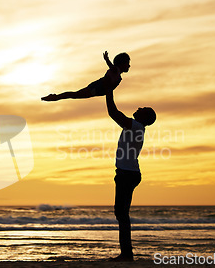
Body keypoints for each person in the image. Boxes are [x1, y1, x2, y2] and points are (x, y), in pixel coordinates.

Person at [105, 82, 156, 262]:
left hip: (127, 174)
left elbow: (113, 113)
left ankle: (127, 254)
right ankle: (127, 253)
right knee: (121, 213)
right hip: (128, 173)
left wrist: (108, 89)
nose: (139, 107)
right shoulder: (137, 127)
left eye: (143, 108)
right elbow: (116, 115)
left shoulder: (135, 126)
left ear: (144, 117)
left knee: (121, 213)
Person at [41, 51, 130, 101]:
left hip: (97, 88)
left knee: (75, 95)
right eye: (127, 63)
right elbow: (112, 68)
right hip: (97, 87)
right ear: (122, 64)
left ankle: (56, 97)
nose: (129, 66)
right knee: (75, 95)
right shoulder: (116, 71)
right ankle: (56, 97)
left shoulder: (117, 74)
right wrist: (107, 60)